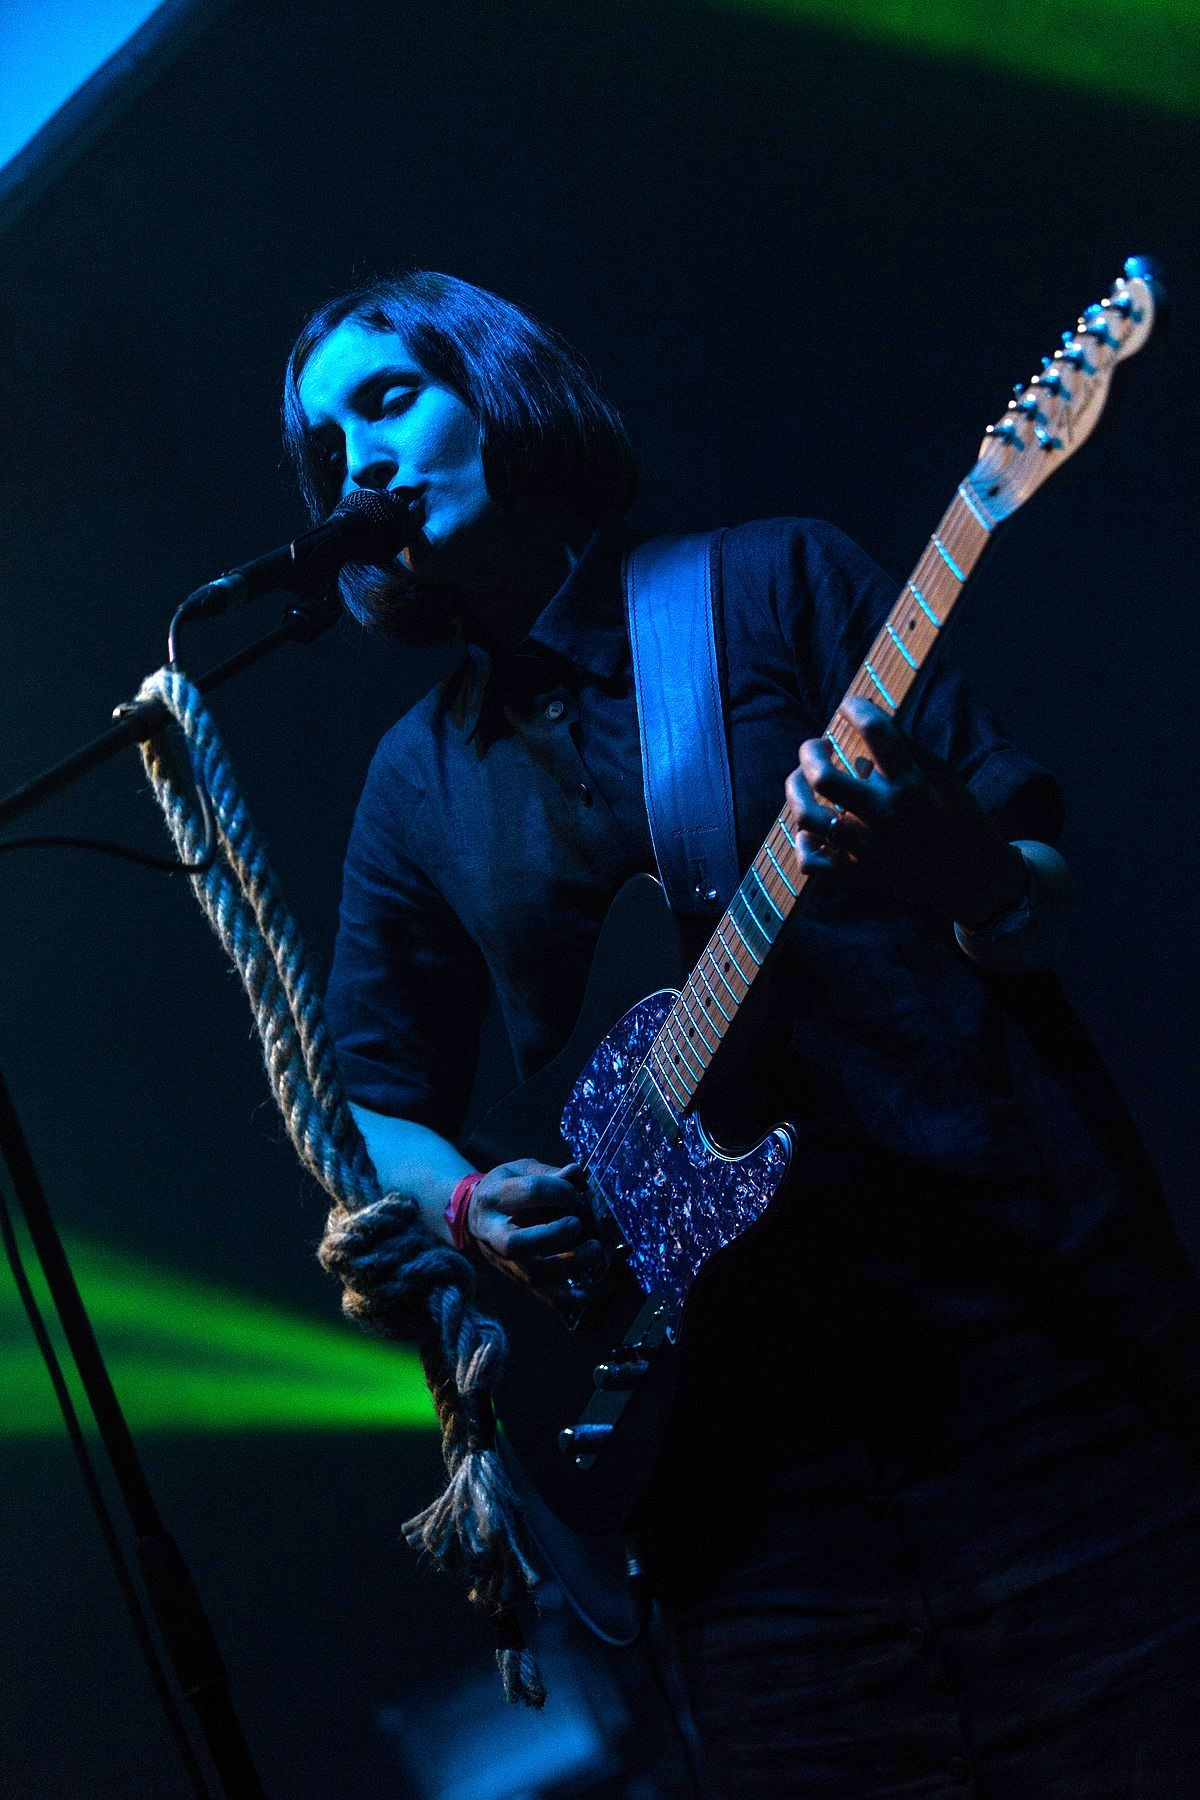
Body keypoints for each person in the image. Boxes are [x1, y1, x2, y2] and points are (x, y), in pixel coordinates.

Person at [284, 271, 1200, 1797]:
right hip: (741, 1498)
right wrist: (470, 1203)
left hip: (1034, 1384)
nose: (359, 460)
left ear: (501, 389)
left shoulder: (773, 584)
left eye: (389, 399)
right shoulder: (414, 780)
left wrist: (954, 861)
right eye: (327, 451)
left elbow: (1039, 904)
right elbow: (370, 1097)